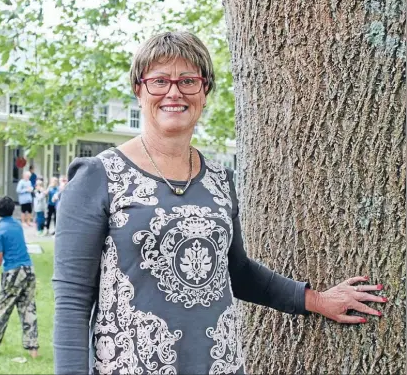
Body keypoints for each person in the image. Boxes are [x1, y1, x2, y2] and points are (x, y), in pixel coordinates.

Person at [52, 32, 387, 375]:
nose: (174, 92)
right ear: (138, 89)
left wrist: (317, 301)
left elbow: (236, 271)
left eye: (188, 81)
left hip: (218, 365)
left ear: (205, 91)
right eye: (159, 81)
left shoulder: (219, 179)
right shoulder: (98, 175)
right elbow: (72, 300)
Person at [0, 196, 39, 358]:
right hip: (29, 270)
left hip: (13, 272)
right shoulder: (17, 224)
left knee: (2, 309)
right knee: (28, 308)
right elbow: (5, 228)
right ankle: (33, 351)